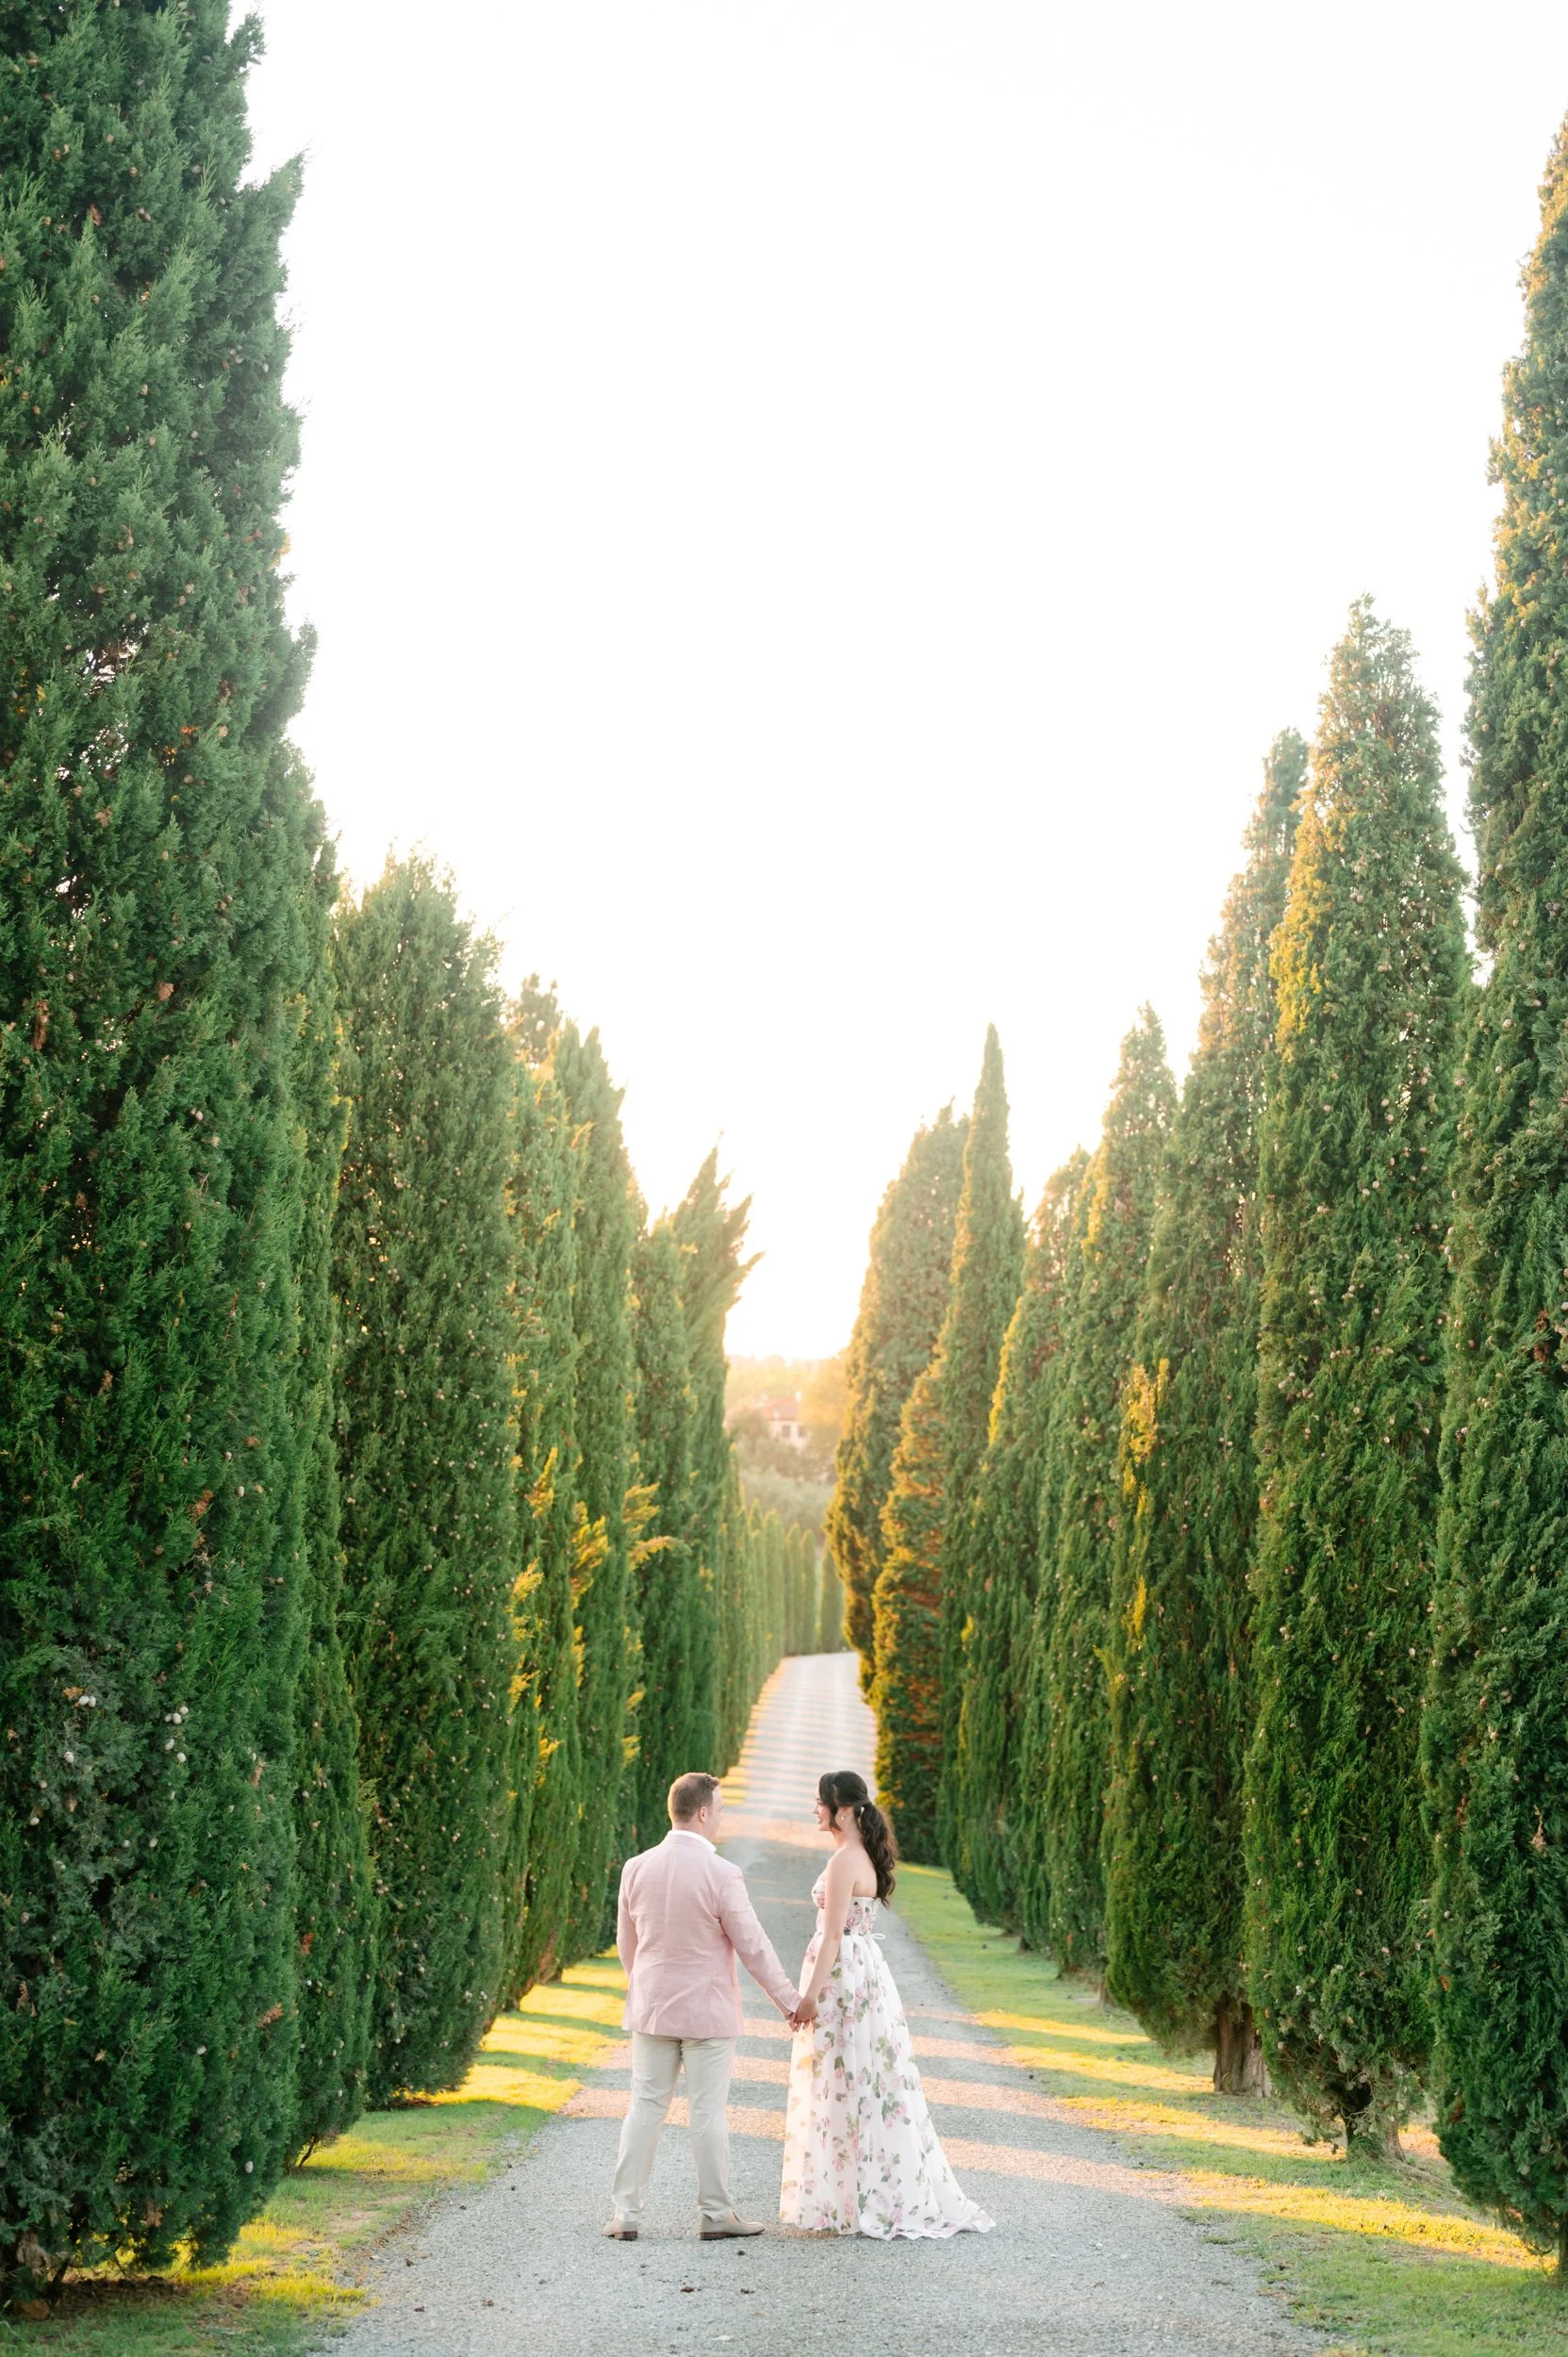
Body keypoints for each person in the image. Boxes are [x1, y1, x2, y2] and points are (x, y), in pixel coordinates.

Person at [780, 1768, 994, 2239]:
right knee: (864, 2078)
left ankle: (856, 2199)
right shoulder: (860, 1855)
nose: (814, 1810)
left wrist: (809, 1997)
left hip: (843, 1978)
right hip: (864, 1970)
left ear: (841, 1809)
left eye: (819, 1803)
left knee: (845, 2077)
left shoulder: (843, 1862)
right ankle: (856, 2194)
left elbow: (833, 1934)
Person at [606, 1770, 807, 2241]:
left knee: (644, 2107)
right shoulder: (722, 1873)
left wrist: (645, 1987)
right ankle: (716, 2215)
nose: (721, 1820)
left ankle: (625, 2215)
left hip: (652, 2009)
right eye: (719, 1812)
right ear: (701, 1812)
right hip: (707, 2014)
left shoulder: (636, 1866)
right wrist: (790, 2001)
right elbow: (753, 1945)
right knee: (707, 2113)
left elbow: (626, 1942)